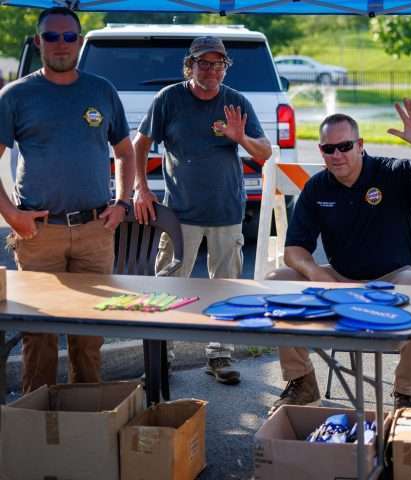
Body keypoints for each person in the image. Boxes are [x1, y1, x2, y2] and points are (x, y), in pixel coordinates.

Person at [266, 104, 411, 415]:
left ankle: (405, 392)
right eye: (329, 148)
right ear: (321, 151)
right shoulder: (317, 186)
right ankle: (302, 381)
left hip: (393, 277)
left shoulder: (393, 172)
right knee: (277, 281)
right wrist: (314, 271)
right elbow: (294, 250)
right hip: (340, 279)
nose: (337, 155)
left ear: (360, 145)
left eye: (345, 146)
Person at [0, 7, 135, 393]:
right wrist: (11, 214)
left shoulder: (101, 91)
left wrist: (122, 203)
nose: (61, 44)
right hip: (39, 234)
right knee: (39, 335)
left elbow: (125, 153)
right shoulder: (15, 96)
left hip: (95, 231)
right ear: (38, 41)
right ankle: (37, 419)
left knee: (90, 335)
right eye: (52, 36)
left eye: (69, 36)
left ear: (79, 41)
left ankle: (88, 418)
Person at [133, 36, 272, 386]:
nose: (211, 70)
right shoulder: (168, 99)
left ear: (226, 67)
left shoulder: (236, 102)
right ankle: (161, 357)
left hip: (227, 210)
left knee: (225, 287)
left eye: (218, 63)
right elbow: (140, 143)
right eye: (203, 63)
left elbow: (264, 152)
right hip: (179, 213)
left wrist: (240, 137)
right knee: (168, 285)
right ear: (189, 66)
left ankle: (219, 355)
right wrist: (141, 188)